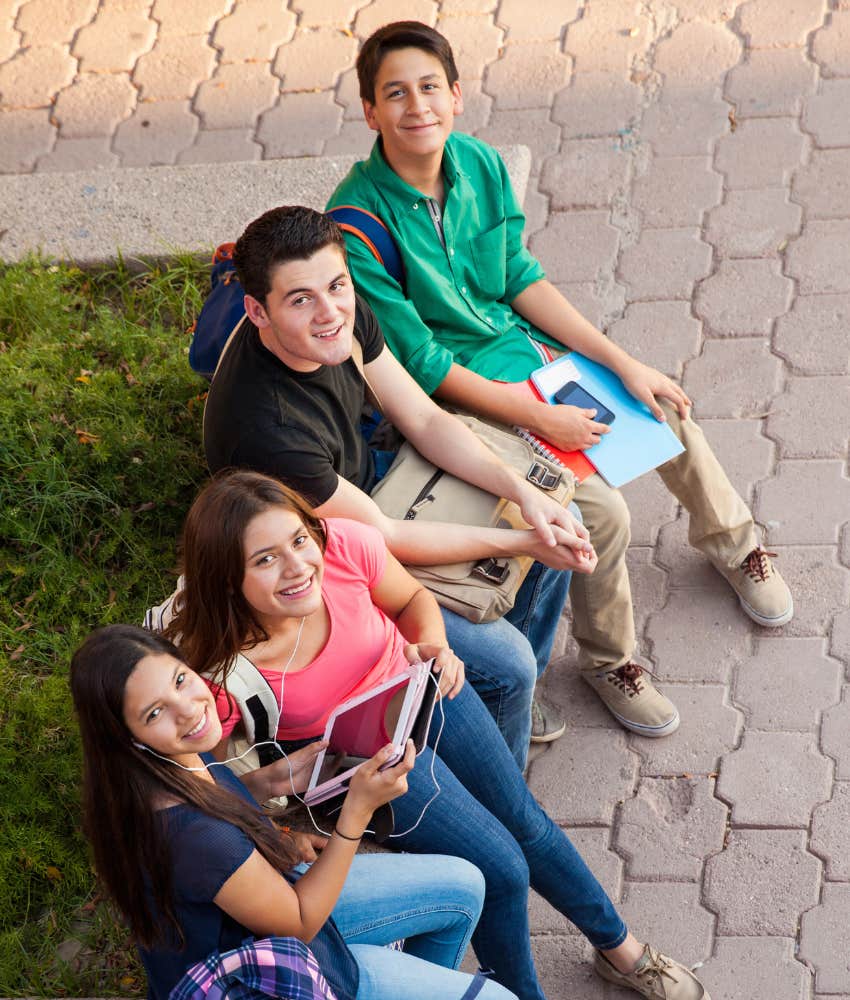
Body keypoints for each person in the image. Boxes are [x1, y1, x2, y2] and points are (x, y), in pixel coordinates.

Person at [326, 19, 794, 740]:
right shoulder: (357, 226)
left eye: (429, 88)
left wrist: (620, 361)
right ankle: (611, 661)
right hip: (467, 401)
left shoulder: (477, 163)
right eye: (395, 94)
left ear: (456, 95)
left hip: (527, 360)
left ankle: (735, 545)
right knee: (601, 510)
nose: (415, 107)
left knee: (662, 409)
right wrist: (541, 421)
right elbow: (423, 367)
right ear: (370, 111)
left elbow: (519, 279)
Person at [160, 469, 710, 1000]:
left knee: (525, 820)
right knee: (501, 869)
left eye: (300, 540)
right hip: (377, 764)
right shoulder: (220, 671)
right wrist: (279, 811)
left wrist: (433, 646)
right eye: (265, 559)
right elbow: (208, 786)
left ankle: (623, 951)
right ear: (228, 580)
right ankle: (520, 994)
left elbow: (410, 601)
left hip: (427, 692)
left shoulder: (345, 547)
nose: (299, 566)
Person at [202, 205, 597, 761]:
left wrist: (525, 497)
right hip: (327, 559)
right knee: (509, 661)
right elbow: (380, 538)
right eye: (300, 299)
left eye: (336, 285)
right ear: (257, 311)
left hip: (379, 481)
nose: (328, 312)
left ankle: (501, 700)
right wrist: (522, 540)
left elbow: (425, 419)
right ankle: (504, 757)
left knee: (560, 516)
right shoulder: (266, 429)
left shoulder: (341, 315)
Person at [69, 623, 519, 1000]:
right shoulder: (194, 836)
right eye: (154, 713)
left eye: (180, 680)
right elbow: (300, 924)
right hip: (276, 973)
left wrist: (274, 782)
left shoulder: (164, 764)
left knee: (464, 885)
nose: (188, 711)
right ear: (126, 736)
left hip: (269, 916)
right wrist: (356, 812)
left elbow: (218, 806)